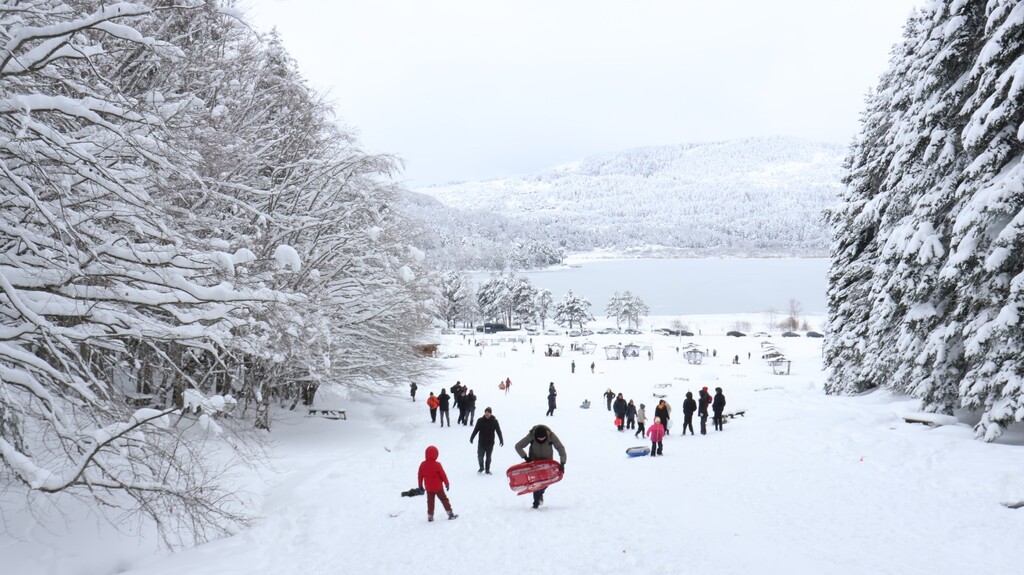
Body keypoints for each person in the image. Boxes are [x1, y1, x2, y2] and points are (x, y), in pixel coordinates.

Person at [514, 424, 567, 509]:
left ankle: (540, 493)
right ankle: (536, 502)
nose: (541, 439)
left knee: (546, 482)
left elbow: (560, 448)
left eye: (543, 438)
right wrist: (526, 457)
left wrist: (562, 463)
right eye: (539, 438)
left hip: (547, 463)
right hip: (534, 463)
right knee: (536, 483)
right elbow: (518, 446)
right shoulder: (531, 436)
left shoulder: (551, 436)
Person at [417, 445, 457, 522]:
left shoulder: (423, 464)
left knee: (430, 502)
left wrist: (420, 486)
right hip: (438, 488)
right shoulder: (437, 464)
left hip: (429, 488)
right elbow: (443, 475)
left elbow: (420, 476)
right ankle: (450, 513)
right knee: (444, 499)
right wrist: (446, 483)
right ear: (436, 454)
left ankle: (430, 516)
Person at [469, 407, 504, 474]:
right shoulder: (480, 421)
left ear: (490, 413)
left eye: (488, 413)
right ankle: (481, 467)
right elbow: (476, 430)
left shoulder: (494, 421)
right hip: (481, 443)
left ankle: (487, 470)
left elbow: (498, 431)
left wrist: (501, 440)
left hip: (490, 443)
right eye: (486, 412)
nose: (487, 414)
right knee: (480, 456)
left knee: (488, 457)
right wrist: (472, 437)